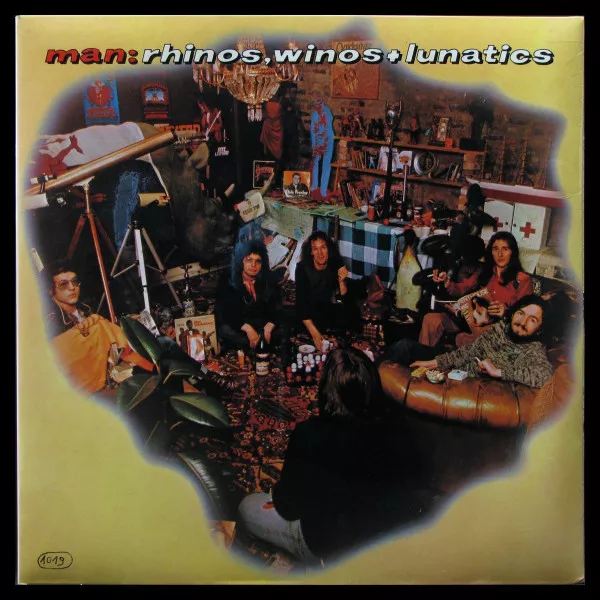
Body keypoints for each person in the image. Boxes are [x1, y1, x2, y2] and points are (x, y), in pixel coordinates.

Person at [237, 347, 438, 564]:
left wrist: (279, 491)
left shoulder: (308, 433)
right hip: (388, 540)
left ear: (326, 390)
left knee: (247, 506)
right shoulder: (399, 422)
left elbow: (289, 509)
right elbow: (417, 484)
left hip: (332, 547)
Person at [385, 295, 553, 389]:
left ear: (539, 329)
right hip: (455, 364)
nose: (522, 322)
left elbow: (546, 376)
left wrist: (498, 372)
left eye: (532, 320)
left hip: (464, 382)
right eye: (521, 313)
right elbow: (471, 350)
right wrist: (433, 363)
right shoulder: (502, 328)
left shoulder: (533, 349)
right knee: (405, 346)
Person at [44, 260, 153, 395]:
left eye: (75, 281)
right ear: (51, 291)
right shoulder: (51, 325)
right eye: (63, 284)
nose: (72, 288)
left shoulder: (88, 311)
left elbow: (108, 338)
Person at [418, 231, 534, 348]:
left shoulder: (522, 279)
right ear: (491, 252)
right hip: (469, 321)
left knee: (472, 337)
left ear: (512, 252)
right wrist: (446, 281)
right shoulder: (484, 271)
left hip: (495, 328)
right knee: (431, 319)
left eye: (505, 249)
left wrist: (506, 312)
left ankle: (454, 344)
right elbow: (461, 289)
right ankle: (422, 357)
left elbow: (528, 314)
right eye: (495, 249)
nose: (500, 254)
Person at [294, 231, 358, 352]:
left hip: (326, 309)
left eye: (323, 247)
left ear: (329, 249)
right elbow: (301, 304)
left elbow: (345, 298)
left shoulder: (335, 264)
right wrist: (314, 333)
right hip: (307, 314)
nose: (320, 253)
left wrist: (342, 282)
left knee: (352, 313)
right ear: (311, 252)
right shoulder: (302, 268)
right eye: (315, 249)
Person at [215, 239, 284, 351]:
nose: (253, 265)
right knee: (225, 329)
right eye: (249, 260)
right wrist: (248, 329)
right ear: (241, 261)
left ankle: (260, 343)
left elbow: (276, 306)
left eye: (258, 261)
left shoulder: (268, 278)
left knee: (284, 325)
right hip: (239, 326)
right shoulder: (228, 278)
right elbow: (226, 313)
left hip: (261, 326)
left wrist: (269, 326)